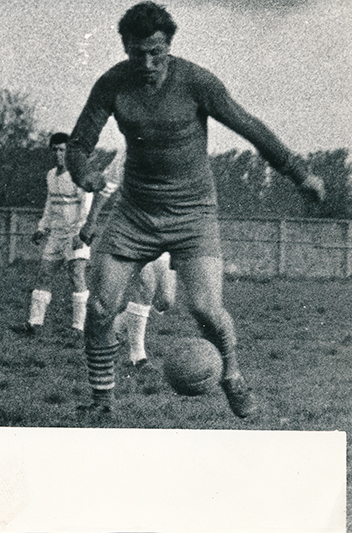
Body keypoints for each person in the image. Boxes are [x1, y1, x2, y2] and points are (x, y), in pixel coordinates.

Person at [65, 1, 325, 418]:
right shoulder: (112, 83)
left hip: (193, 214)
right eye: (137, 53)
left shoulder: (196, 82)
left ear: (169, 46)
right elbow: (78, 145)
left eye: (156, 53)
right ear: (125, 47)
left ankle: (233, 377)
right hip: (135, 213)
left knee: (205, 309)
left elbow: (249, 126)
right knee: (99, 308)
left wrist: (298, 172)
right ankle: (102, 401)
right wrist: (83, 173)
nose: (147, 63)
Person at [82, 146, 177, 367]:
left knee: (165, 300)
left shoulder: (178, 150)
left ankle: (118, 324)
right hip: (133, 229)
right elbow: (106, 187)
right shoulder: (130, 150)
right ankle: (138, 356)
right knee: (146, 286)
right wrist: (91, 221)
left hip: (164, 231)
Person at [12, 132, 92, 339]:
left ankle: (79, 328)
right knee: (44, 274)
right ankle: (34, 324)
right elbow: (50, 205)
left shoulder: (79, 175)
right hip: (56, 234)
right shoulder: (51, 175)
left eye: (62, 150)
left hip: (75, 234)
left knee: (76, 275)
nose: (58, 154)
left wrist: (80, 233)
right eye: (55, 150)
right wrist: (42, 228)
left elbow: (87, 207)